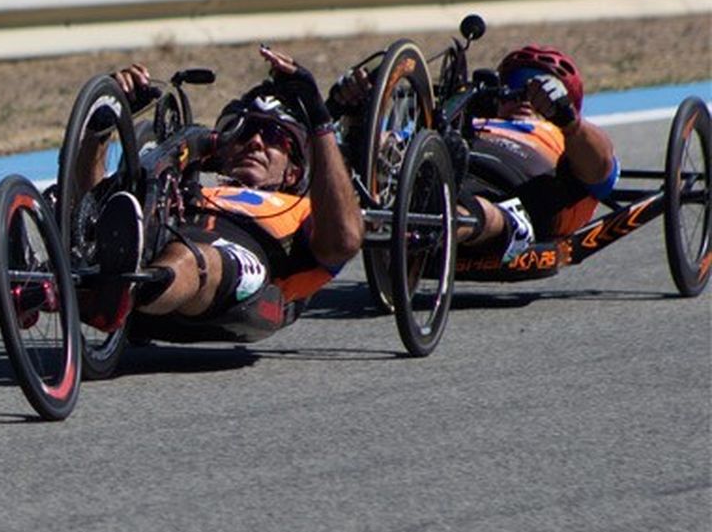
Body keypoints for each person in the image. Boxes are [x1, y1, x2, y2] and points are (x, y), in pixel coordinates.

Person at [79, 46, 364, 341]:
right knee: (107, 211)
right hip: (157, 247)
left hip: (247, 283)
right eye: (243, 133)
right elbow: (89, 205)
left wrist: (319, 120)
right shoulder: (195, 188)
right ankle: (52, 283)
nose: (254, 142)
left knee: (195, 258)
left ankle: (120, 294)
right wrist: (102, 126)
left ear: (293, 171)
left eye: (273, 137)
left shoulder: (304, 208)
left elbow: (344, 241)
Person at [334, 44, 618, 264]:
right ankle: (397, 186)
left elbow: (601, 172)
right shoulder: (475, 123)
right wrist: (360, 112)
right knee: (402, 143)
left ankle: (437, 212)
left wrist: (568, 121)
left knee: (485, 207)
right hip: (443, 164)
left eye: (542, 91)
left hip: (518, 190)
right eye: (516, 86)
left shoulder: (566, 137)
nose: (524, 97)